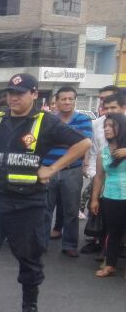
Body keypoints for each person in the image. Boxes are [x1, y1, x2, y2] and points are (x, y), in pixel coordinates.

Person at [0, 73, 91, 312]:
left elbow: (83, 143)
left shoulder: (46, 122)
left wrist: (52, 169)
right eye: (10, 93)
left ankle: (29, 307)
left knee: (29, 257)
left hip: (27, 203)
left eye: (20, 93)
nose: (13, 98)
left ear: (34, 94)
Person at [42, 86, 92, 256]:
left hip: (73, 170)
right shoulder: (48, 119)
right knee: (45, 208)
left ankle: (70, 244)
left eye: (71, 99)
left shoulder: (84, 119)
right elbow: (44, 142)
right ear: (56, 101)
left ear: (74, 100)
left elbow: (83, 142)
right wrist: (70, 140)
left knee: (71, 209)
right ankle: (41, 242)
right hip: (48, 170)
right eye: (63, 99)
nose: (67, 102)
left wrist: (60, 139)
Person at [91, 112, 126, 277]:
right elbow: (99, 177)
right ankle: (110, 265)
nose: (107, 129)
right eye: (105, 126)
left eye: (112, 126)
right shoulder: (103, 152)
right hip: (111, 196)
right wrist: (94, 199)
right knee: (113, 231)